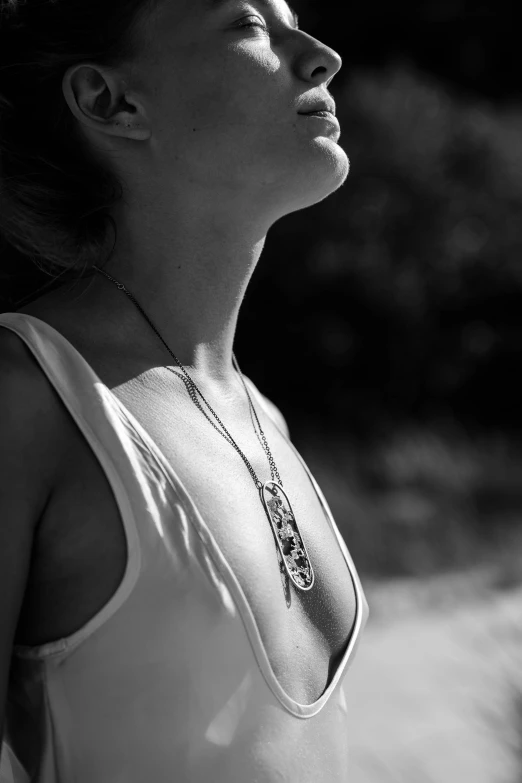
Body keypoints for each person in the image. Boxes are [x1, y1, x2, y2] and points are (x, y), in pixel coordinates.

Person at [0, 0, 370, 780]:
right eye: (247, 24)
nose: (321, 54)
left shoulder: (260, 412)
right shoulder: (26, 397)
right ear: (112, 102)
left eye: (295, 18)